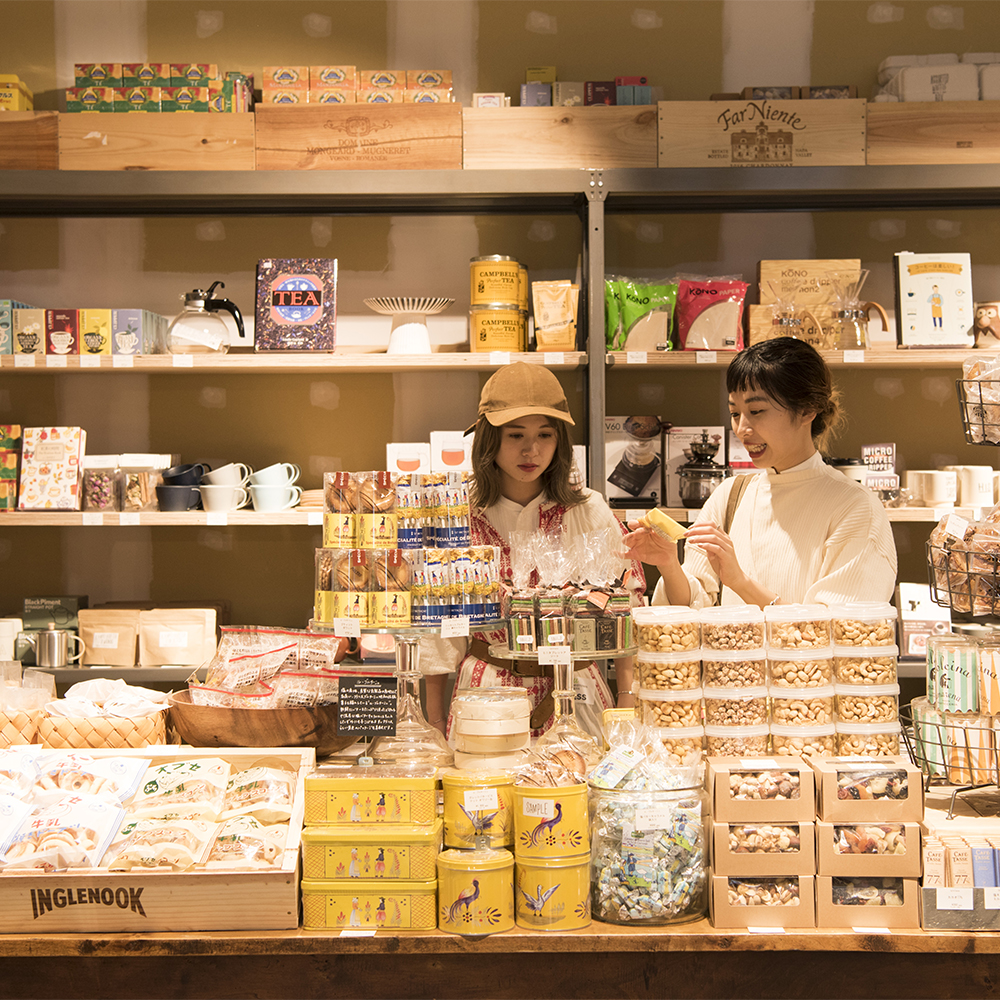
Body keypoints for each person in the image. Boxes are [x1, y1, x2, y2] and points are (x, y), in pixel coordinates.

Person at [421, 362, 645, 738]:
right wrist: (432, 722)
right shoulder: (457, 514)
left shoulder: (587, 508)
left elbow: (627, 610)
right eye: (515, 435)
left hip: (578, 690)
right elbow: (438, 630)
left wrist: (627, 697)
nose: (532, 449)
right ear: (489, 439)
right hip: (486, 691)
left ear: (560, 441)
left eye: (545, 434)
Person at [624, 338, 896, 609]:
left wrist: (741, 583)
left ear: (807, 409)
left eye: (756, 411)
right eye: (734, 413)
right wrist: (669, 564)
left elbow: (838, 631)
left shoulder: (855, 507)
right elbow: (694, 608)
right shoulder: (730, 495)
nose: (742, 429)